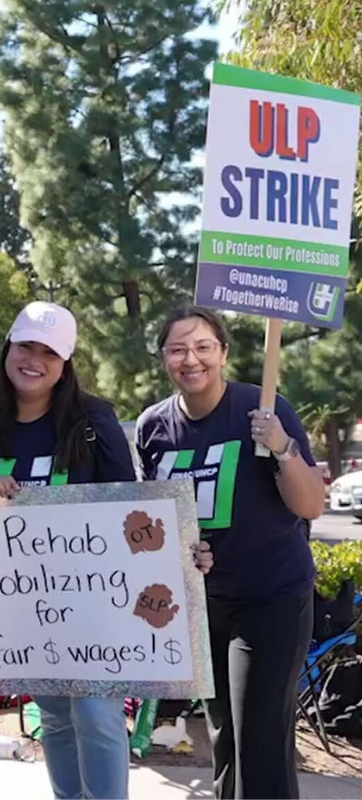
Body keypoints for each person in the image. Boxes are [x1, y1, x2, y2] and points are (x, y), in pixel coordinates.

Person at [0, 301, 135, 800]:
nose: (35, 359)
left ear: (66, 362)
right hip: (16, 601)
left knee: (96, 713)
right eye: (26, 345)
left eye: (50, 351)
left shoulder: (94, 419)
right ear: (8, 347)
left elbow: (128, 506)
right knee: (53, 712)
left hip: (93, 599)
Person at [136, 306, 324, 800]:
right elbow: (150, 522)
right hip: (203, 604)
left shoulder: (262, 407)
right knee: (225, 738)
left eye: (202, 346)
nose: (190, 359)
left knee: (259, 738)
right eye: (177, 349)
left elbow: (312, 506)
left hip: (272, 598)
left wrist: (282, 446)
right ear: (163, 359)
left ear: (223, 353)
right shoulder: (153, 426)